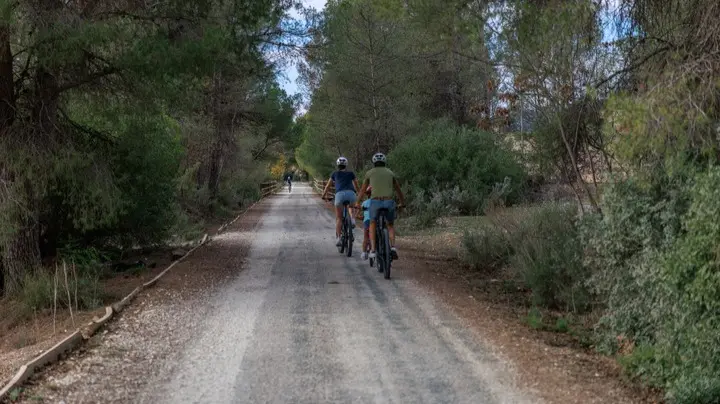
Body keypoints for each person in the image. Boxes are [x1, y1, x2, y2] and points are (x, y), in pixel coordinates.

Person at [356, 152, 405, 260]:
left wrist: (357, 202)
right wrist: (402, 202)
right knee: (390, 225)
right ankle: (392, 247)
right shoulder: (390, 173)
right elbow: (398, 190)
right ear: (384, 162)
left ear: (374, 162)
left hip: (375, 202)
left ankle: (373, 250)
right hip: (388, 202)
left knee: (372, 223)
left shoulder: (369, 173)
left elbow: (363, 190)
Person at [321, 157, 360, 246]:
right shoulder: (351, 173)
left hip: (339, 195)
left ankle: (338, 239)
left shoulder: (334, 174)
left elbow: (327, 186)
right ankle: (353, 219)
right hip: (351, 194)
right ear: (346, 165)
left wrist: (323, 196)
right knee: (352, 206)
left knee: (339, 218)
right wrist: (359, 194)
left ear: (338, 165)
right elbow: (356, 185)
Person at [360, 186, 372, 260]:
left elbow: (361, 212)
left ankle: (364, 253)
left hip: (367, 221)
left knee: (366, 237)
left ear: (368, 194)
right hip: (376, 221)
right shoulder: (379, 202)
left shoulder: (364, 202)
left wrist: (359, 216)